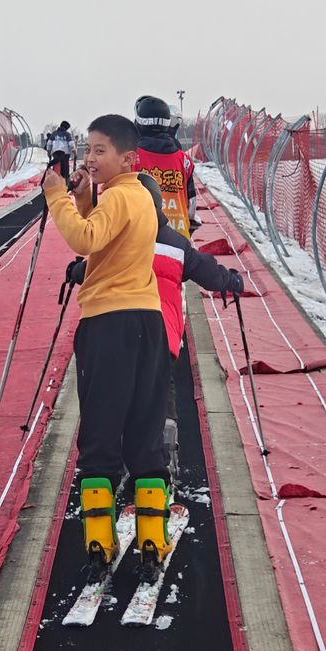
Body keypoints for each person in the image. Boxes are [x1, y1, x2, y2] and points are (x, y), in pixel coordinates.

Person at [42, 114, 173, 580]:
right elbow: (107, 238)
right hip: (147, 320)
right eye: (87, 149)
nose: (91, 158)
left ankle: (99, 542)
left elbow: (86, 237)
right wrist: (80, 197)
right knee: (144, 432)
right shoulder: (137, 196)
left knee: (100, 435)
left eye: (101, 151)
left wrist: (56, 196)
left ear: (127, 158)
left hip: (108, 324)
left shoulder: (118, 195)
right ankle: (153, 542)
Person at [69, 173, 244, 481]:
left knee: (115, 392)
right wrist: (231, 280)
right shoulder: (177, 245)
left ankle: (112, 464)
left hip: (117, 327)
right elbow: (209, 273)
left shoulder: (115, 242)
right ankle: (162, 454)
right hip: (162, 334)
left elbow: (90, 270)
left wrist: (75, 271)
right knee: (159, 392)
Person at [134, 96, 197, 239]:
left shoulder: (130, 157)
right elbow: (191, 204)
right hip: (179, 240)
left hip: (143, 241)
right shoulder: (184, 160)